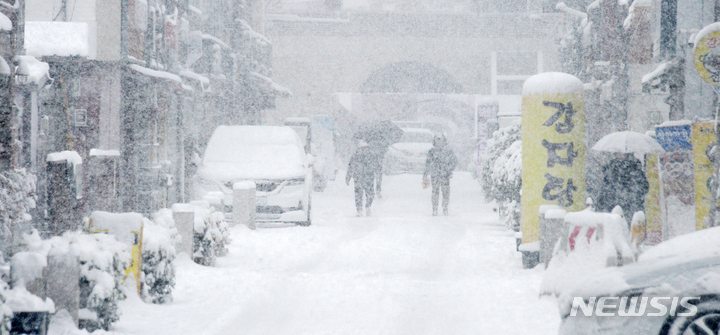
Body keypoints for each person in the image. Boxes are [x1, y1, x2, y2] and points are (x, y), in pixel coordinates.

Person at [596, 152, 649, 225]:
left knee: (613, 231)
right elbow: (644, 188)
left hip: (612, 210)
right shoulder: (635, 169)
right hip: (632, 209)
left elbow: (605, 190)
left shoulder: (610, 169)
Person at [423, 134, 458, 216]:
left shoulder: (448, 152)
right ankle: (435, 209)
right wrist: (425, 174)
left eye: (440, 141)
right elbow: (427, 163)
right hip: (435, 175)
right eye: (437, 141)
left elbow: (454, 162)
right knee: (435, 192)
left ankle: (445, 208)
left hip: (445, 175)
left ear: (444, 142)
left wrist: (449, 169)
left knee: (445, 192)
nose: (439, 143)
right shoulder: (431, 152)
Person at [346, 140, 376, 216]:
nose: (363, 149)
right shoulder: (355, 156)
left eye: (365, 148)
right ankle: (359, 210)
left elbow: (375, 166)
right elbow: (350, 166)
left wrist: (372, 173)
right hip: (358, 177)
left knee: (370, 193)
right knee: (358, 195)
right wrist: (348, 176)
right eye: (362, 148)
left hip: (368, 177)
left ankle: (368, 206)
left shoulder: (371, 156)